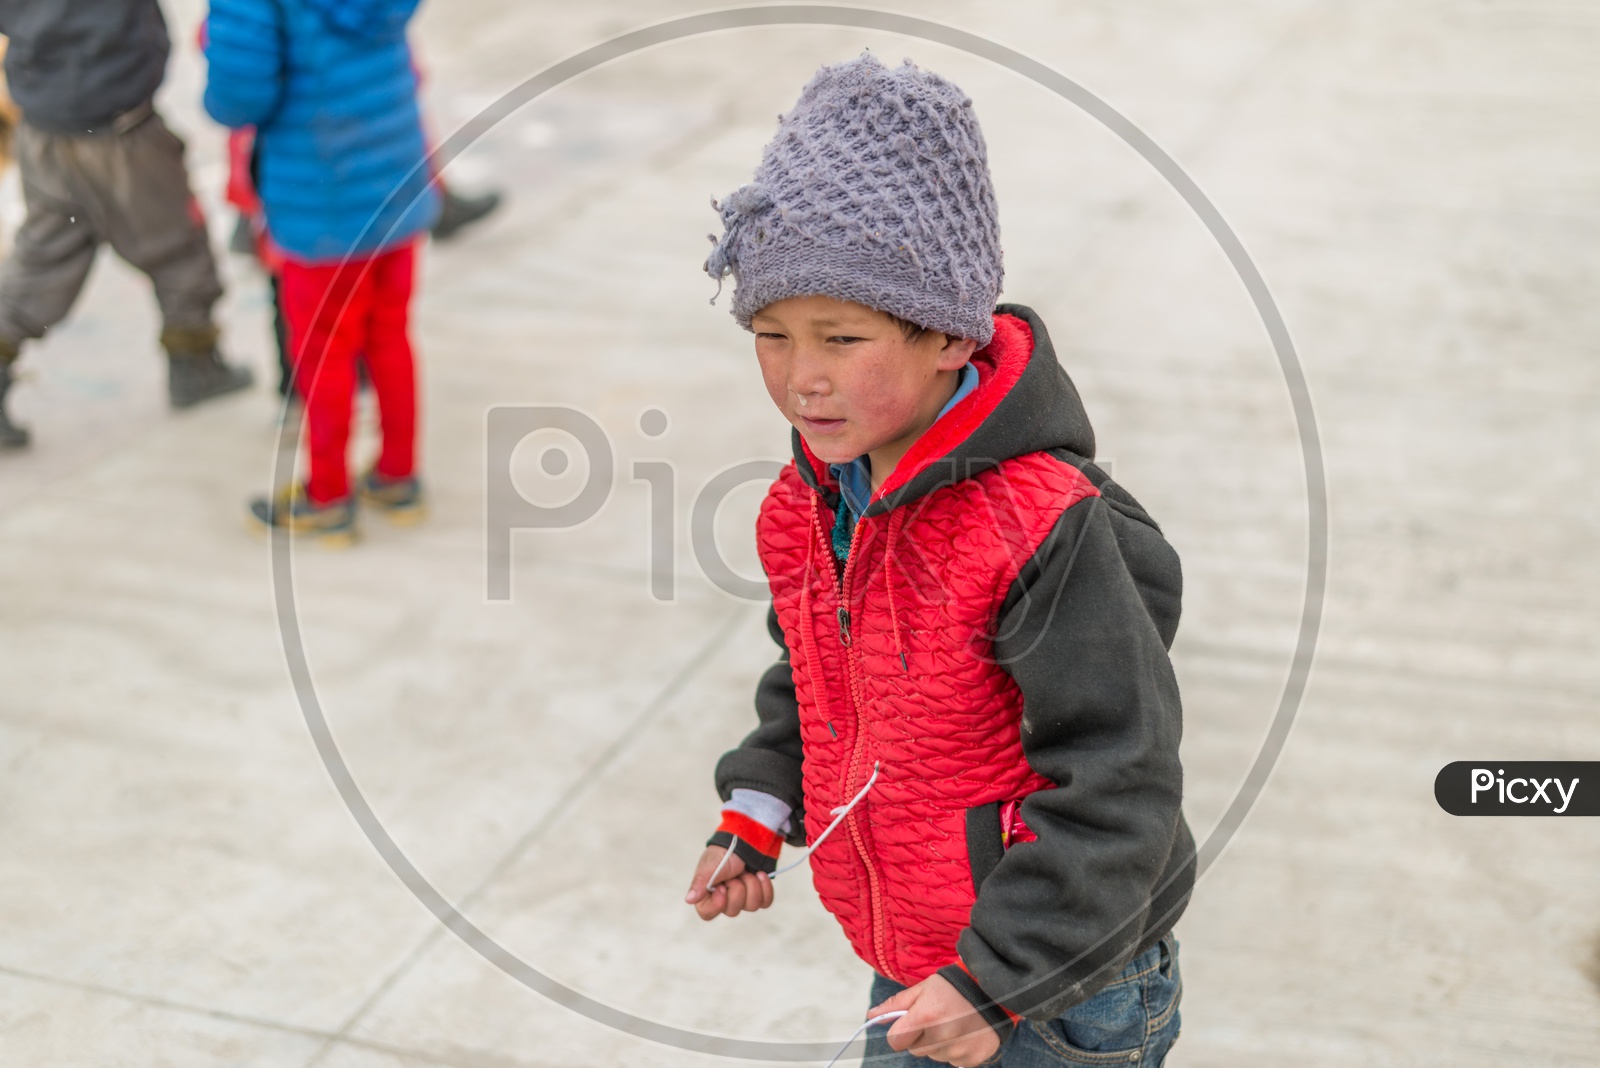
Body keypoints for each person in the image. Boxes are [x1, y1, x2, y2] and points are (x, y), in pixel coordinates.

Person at [682, 56, 1193, 1067]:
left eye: (840, 336)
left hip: (1055, 984)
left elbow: (1119, 777)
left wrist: (1000, 978)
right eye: (771, 334)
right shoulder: (813, 503)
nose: (801, 377)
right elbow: (820, 679)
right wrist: (760, 805)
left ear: (949, 339)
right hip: (923, 953)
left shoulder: (1044, 528)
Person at [204, 0, 439, 544]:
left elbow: (239, 95)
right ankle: (397, 476)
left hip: (322, 190)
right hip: (394, 171)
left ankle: (327, 497)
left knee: (323, 351)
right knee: (389, 333)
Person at [0, 0, 254, 450]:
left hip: (45, 117)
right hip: (116, 120)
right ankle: (194, 362)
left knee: (45, 256)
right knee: (178, 246)